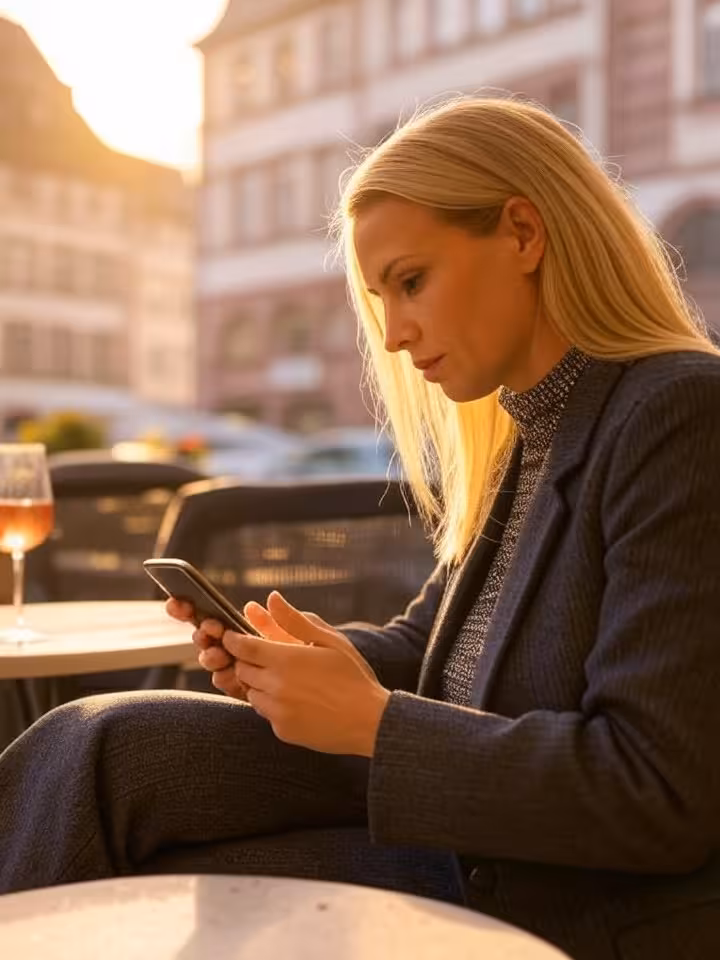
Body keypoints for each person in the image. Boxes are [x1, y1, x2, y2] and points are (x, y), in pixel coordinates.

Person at [1, 96, 719, 960]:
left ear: (524, 233)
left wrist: (374, 724)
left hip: (567, 893)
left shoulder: (677, 414)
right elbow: (433, 648)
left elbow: (656, 792)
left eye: (411, 281)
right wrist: (303, 662)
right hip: (469, 831)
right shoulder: (532, 433)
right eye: (381, 298)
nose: (395, 333)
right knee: (102, 746)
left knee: (147, 862)